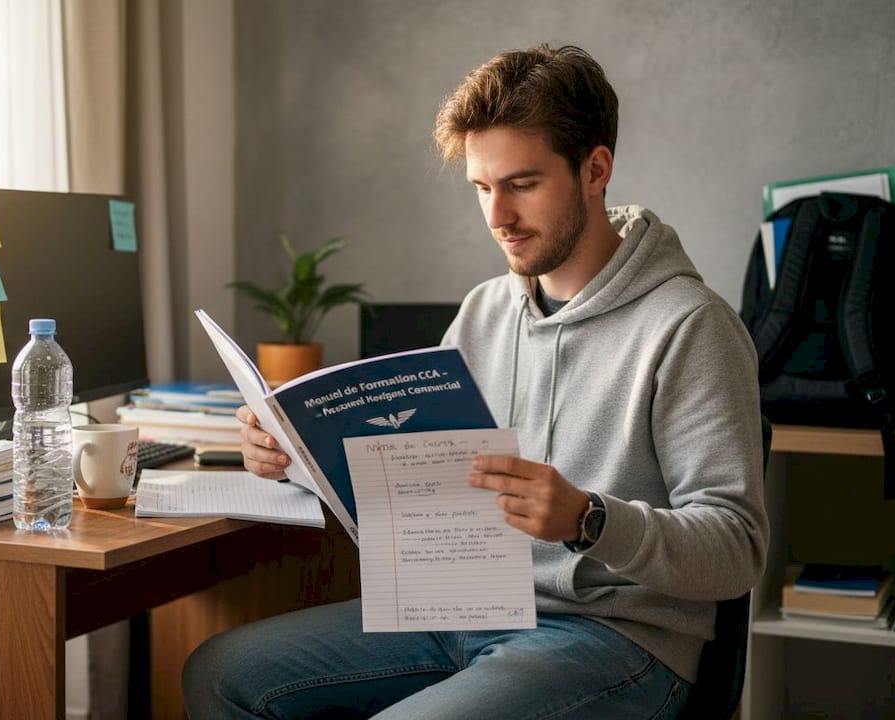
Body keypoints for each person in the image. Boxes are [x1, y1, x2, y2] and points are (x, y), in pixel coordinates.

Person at [182, 43, 767, 719]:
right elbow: (426, 482)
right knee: (221, 673)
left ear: (595, 170)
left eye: (521, 184)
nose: (497, 217)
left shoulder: (692, 327)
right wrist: (293, 459)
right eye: (482, 188)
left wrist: (589, 518)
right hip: (462, 607)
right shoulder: (486, 311)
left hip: (611, 641)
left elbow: (736, 550)